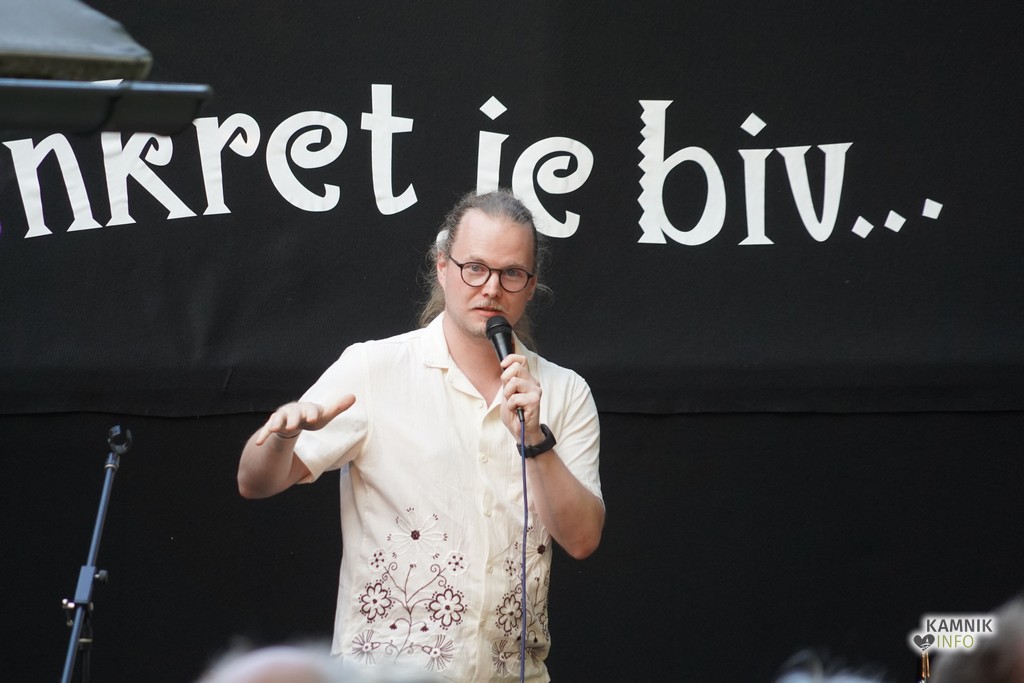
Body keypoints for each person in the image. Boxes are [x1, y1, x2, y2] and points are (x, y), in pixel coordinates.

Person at [238, 190, 605, 682]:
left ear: (531, 285)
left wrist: (535, 439)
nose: (491, 288)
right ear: (442, 266)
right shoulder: (375, 368)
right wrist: (282, 437)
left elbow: (582, 540)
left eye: (511, 274)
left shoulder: (564, 392)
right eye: (475, 268)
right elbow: (255, 482)